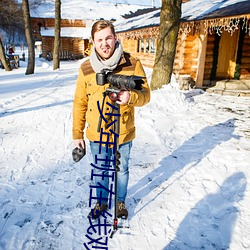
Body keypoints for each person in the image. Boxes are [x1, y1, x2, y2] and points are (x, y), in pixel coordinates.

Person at [72, 20, 150, 220]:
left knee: (121, 169)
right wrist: (77, 134)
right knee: (100, 169)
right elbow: (80, 102)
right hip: (97, 133)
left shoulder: (132, 63)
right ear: (93, 42)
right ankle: (102, 201)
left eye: (108, 38)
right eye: (99, 40)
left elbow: (146, 95)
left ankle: (120, 201)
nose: (104, 43)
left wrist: (130, 97)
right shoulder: (86, 68)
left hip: (123, 131)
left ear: (115, 38)